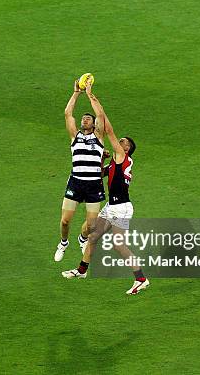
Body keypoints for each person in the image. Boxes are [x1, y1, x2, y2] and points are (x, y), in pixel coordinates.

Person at [61, 83, 149, 295]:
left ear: (128, 150)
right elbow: (98, 173)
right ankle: (82, 270)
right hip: (114, 206)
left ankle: (141, 279)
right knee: (93, 237)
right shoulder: (118, 163)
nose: (120, 142)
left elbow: (106, 127)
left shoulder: (122, 156)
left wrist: (91, 96)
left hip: (121, 208)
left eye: (124, 143)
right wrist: (100, 157)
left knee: (119, 246)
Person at [54, 79, 108, 262]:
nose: (85, 119)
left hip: (93, 185)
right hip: (76, 182)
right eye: (84, 118)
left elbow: (101, 115)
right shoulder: (75, 137)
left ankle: (82, 238)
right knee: (65, 220)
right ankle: (63, 243)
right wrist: (76, 93)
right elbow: (68, 113)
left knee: (92, 225)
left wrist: (90, 94)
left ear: (93, 125)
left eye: (88, 118)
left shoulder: (99, 137)